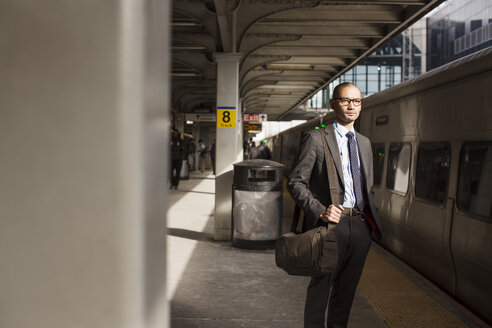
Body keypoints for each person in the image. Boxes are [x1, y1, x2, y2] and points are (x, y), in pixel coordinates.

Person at [287, 82, 382, 328]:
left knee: (346, 293)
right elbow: (296, 182)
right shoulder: (316, 138)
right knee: (320, 290)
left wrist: (369, 224)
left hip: (360, 226)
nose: (352, 105)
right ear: (333, 104)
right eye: (345, 100)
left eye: (357, 101)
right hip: (329, 227)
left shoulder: (365, 143)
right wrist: (320, 209)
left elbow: (367, 186)